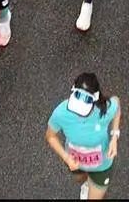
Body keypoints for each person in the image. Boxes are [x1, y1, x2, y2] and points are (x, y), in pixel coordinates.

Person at [45, 73, 120, 201]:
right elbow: (50, 136)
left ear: (95, 99)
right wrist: (66, 158)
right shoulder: (62, 112)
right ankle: (87, 184)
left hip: (102, 166)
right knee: (80, 178)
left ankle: (92, 184)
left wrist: (114, 137)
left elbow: (117, 104)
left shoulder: (105, 109)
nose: (78, 114)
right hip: (75, 161)